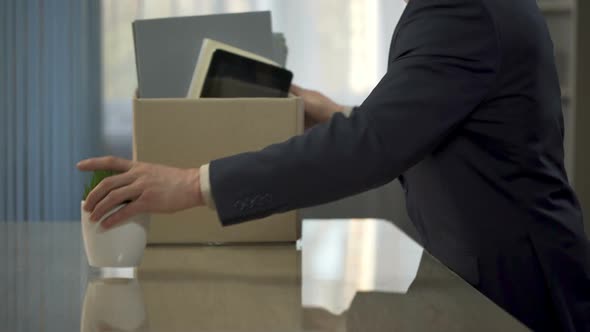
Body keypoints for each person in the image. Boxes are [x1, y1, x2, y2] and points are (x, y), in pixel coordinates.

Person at [77, 0, 590, 330]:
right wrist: (339, 113)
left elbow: (370, 147)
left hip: (513, 287)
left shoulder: (460, 10)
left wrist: (193, 183)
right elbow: (435, 127)